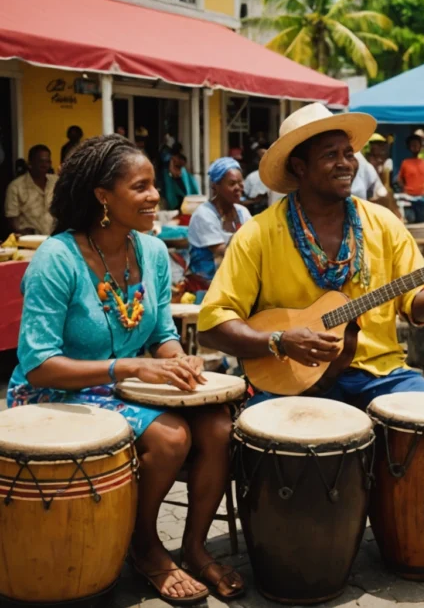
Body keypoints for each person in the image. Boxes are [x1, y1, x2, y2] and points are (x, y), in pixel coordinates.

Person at [7, 135, 242, 602]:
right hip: (56, 393)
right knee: (172, 435)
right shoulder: (58, 258)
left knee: (217, 425)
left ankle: (193, 547)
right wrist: (128, 368)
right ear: (103, 197)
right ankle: (146, 545)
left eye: (154, 184)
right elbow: (38, 365)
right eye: (141, 186)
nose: (156, 196)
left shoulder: (152, 254)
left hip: (123, 387)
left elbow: (160, 335)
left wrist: (181, 362)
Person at [198, 103, 424, 409]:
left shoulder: (384, 224)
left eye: (348, 154)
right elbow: (211, 326)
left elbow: (417, 311)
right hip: (291, 381)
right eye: (330, 155)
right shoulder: (258, 233)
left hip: (380, 373)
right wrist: (280, 341)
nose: (345, 164)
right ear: (300, 167)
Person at [187, 157, 252, 286]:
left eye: (240, 182)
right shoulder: (204, 215)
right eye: (232, 183)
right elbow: (223, 252)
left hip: (233, 282)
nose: (238, 188)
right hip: (206, 285)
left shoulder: (242, 212)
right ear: (215, 186)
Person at [5, 144, 57, 235]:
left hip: (55, 239)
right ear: (30, 164)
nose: (44, 165)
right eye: (41, 161)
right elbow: (11, 219)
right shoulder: (16, 186)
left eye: (47, 161)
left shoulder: (56, 182)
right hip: (28, 242)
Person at [396, 133, 424, 224]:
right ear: (409, 147)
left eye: (417, 144)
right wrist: (404, 189)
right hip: (409, 198)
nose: (415, 147)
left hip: (422, 198)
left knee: (423, 221)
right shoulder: (405, 163)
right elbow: (399, 179)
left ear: (420, 146)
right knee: (411, 222)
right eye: (412, 145)